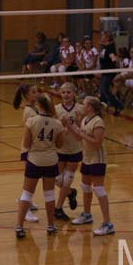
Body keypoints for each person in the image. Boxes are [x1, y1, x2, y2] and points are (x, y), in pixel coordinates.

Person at [15, 94, 64, 238]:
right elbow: (60, 145)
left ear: (38, 105)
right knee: (49, 194)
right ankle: (50, 226)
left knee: (26, 194)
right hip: (50, 161)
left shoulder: (31, 121)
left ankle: (19, 227)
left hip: (34, 160)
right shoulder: (57, 123)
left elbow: (26, 144)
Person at [65, 96, 114, 236]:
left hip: (97, 159)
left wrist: (81, 133)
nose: (81, 106)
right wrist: (71, 126)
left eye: (84, 104)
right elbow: (79, 138)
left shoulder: (98, 122)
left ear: (90, 107)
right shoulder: (84, 120)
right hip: (86, 157)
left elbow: (97, 142)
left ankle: (108, 224)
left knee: (98, 189)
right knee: (85, 187)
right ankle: (87, 214)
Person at [54, 82, 82, 221]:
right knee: (57, 180)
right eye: (63, 92)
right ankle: (71, 193)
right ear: (60, 93)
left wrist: (76, 122)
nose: (66, 95)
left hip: (75, 149)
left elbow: (82, 132)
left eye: (69, 92)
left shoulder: (80, 109)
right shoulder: (56, 109)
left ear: (74, 93)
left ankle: (58, 208)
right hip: (60, 149)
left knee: (66, 181)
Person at [13, 84, 40, 222]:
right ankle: (25, 208)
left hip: (36, 149)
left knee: (33, 179)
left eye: (37, 91)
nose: (37, 94)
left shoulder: (35, 108)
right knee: (30, 179)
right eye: (34, 92)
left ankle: (26, 201)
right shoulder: (29, 111)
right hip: (30, 149)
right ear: (27, 95)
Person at [99, 31, 122, 116]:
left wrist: (115, 60)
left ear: (107, 38)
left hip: (109, 72)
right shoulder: (104, 47)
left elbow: (114, 58)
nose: (101, 37)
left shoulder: (110, 47)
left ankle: (118, 106)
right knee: (102, 91)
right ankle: (102, 108)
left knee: (105, 90)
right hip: (104, 71)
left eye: (102, 36)